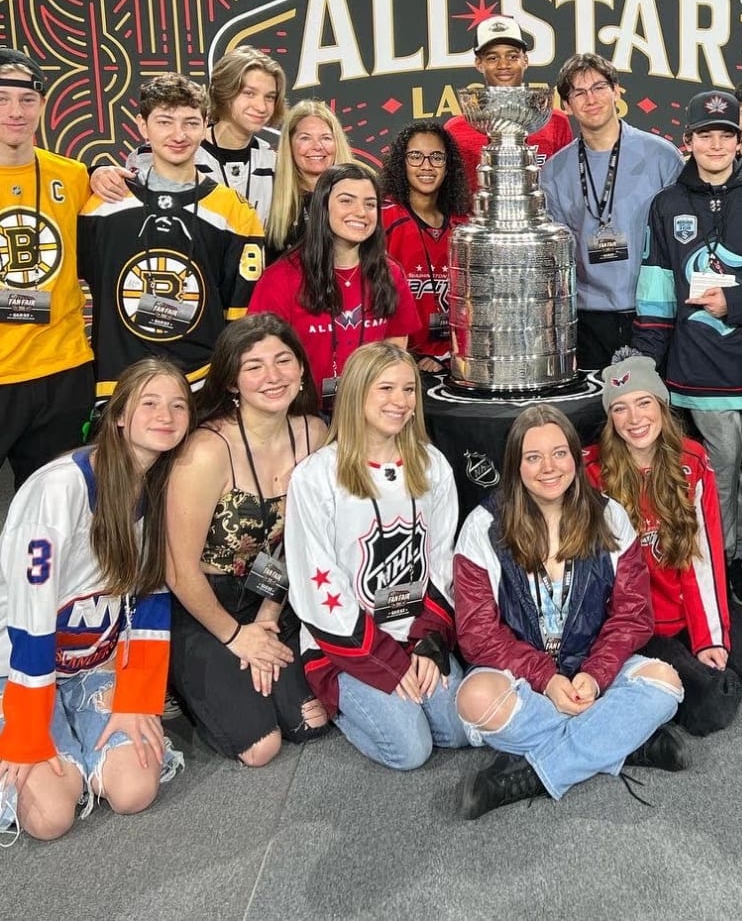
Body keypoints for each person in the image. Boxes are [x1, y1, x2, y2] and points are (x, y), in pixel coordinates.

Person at [453, 405, 687, 819]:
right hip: (523, 677)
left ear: (576, 458)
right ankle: (621, 740)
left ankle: (531, 775)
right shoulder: (483, 526)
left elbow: (633, 615)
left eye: (559, 453)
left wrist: (594, 676)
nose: (549, 468)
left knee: (666, 682)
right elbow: (476, 632)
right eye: (533, 457)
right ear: (515, 465)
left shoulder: (609, 514)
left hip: (591, 669)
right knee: (474, 698)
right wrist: (545, 678)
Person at [584, 354, 742, 735]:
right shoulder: (592, 474)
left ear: (662, 406)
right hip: (639, 627)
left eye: (644, 402)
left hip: (692, 605)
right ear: (610, 418)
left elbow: (704, 560)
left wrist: (709, 637)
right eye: (620, 408)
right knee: (710, 710)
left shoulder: (692, 460)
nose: (634, 419)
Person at [0, 358, 192, 842]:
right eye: (149, 403)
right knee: (50, 818)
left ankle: (79, 734)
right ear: (120, 414)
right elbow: (31, 618)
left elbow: (150, 597)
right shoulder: (58, 490)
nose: (165, 414)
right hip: (18, 666)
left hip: (91, 664)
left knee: (133, 790)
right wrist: (25, 730)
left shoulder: (160, 486)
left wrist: (137, 698)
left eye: (177, 405)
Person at [634, 89, 742, 575]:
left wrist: (733, 302)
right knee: (719, 470)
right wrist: (647, 363)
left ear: (739, 142)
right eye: (705, 135)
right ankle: (715, 561)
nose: (716, 144)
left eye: (726, 135)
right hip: (698, 368)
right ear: (687, 141)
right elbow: (654, 293)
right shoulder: (666, 204)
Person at [285, 343, 468, 770]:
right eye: (386, 388)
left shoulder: (432, 465)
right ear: (356, 393)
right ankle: (337, 701)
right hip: (348, 642)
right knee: (410, 751)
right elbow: (318, 585)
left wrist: (428, 643)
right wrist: (383, 662)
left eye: (408, 390)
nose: (400, 401)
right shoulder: (316, 478)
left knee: (457, 730)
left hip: (415, 630)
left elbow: (442, 561)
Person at [165, 314, 330, 764]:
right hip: (205, 606)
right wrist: (238, 636)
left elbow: (301, 541)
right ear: (232, 381)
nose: (272, 376)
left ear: (300, 370)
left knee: (311, 723)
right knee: (262, 747)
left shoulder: (315, 434)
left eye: (283, 360)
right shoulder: (206, 450)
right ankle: (177, 679)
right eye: (254, 365)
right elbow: (177, 569)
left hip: (274, 593)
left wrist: (267, 620)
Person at [78, 73, 265, 404]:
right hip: (118, 382)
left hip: (200, 382)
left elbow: (241, 317)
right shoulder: (100, 203)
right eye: (165, 122)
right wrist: (93, 172)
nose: (178, 135)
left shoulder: (234, 211)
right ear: (142, 125)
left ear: (205, 124)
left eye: (191, 123)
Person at [540, 53, 683, 369]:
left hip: (656, 311)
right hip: (588, 320)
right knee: (596, 414)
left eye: (599, 87)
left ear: (617, 91)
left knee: (661, 412)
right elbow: (554, 257)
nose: (591, 99)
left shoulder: (663, 157)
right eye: (579, 92)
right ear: (566, 105)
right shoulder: (553, 172)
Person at [248, 163, 420, 411]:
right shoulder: (281, 277)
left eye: (370, 204)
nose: (361, 212)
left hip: (368, 412)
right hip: (302, 413)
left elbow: (395, 343)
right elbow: (261, 354)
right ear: (323, 206)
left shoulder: (391, 273)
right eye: (347, 201)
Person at [0, 47, 95, 487]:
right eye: (1, 99)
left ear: (42, 104)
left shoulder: (74, 176)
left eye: (26, 99)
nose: (15, 112)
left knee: (53, 513)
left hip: (62, 370)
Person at [126, 46, 284, 227]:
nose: (261, 107)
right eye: (249, 93)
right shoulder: (170, 150)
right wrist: (99, 172)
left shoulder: (274, 162)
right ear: (225, 91)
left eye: (270, 97)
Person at [444, 16, 573, 195]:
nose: (503, 65)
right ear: (479, 64)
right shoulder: (456, 129)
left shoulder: (555, 122)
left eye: (512, 56)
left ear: (525, 61)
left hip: (542, 219)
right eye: (492, 58)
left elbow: (567, 189)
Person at [380, 122, 471, 373]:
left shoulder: (464, 226)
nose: (427, 166)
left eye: (437, 157)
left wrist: (449, 353)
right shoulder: (382, 218)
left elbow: (475, 304)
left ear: (448, 165)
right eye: (416, 156)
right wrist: (402, 355)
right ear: (401, 162)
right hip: (396, 360)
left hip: (453, 361)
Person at [264, 100, 353, 262]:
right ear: (289, 144)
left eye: (326, 138)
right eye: (305, 138)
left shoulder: (358, 196)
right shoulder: (268, 197)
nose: (317, 146)